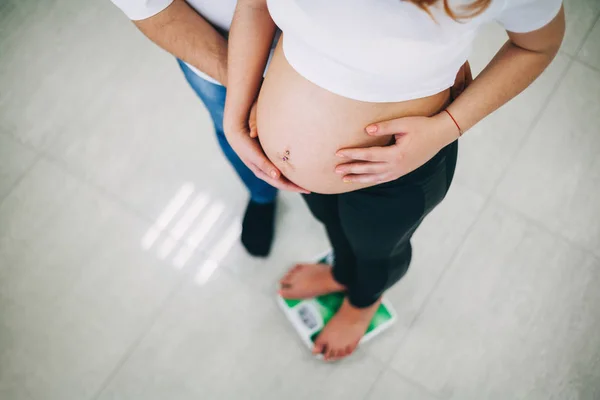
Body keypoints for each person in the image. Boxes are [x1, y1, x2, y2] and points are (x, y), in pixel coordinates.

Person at [224, 0, 565, 361]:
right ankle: (341, 272)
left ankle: (362, 304)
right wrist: (235, 112)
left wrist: (445, 128)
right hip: (296, 176)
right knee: (332, 222)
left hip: (398, 173)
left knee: (378, 251)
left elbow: (537, 44)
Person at [109, 0, 308, 256]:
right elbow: (151, 9)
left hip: (319, 44)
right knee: (237, 134)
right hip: (209, 47)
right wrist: (244, 90)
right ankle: (262, 195)